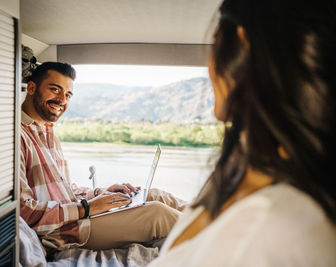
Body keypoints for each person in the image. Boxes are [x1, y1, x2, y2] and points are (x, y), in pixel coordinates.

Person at [149, 0, 336, 266]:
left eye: (214, 44)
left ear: (243, 45)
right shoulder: (246, 169)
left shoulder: (261, 229)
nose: (209, 64)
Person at [19, 62, 186, 253]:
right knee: (157, 213)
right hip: (62, 231)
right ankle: (222, 239)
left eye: (67, 95)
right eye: (55, 90)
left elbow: (64, 192)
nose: (62, 100)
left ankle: (220, 217)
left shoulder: (49, 134)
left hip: (78, 215)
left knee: (154, 195)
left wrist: (99, 193)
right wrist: (87, 208)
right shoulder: (16, 137)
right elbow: (24, 211)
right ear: (31, 88)